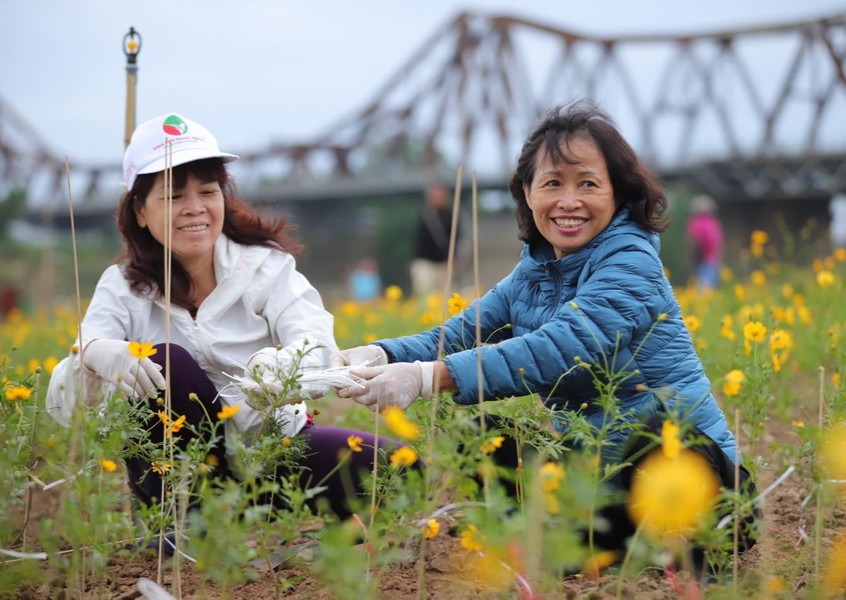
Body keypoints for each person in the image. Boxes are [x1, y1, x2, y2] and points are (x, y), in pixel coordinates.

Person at [332, 101, 758, 560]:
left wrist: (426, 378)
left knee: (659, 432)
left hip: (691, 479)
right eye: (552, 183)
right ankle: (581, 546)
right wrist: (380, 355)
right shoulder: (534, 269)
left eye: (588, 184)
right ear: (527, 193)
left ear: (618, 193)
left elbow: (560, 349)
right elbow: (459, 333)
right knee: (483, 434)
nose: (568, 201)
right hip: (598, 479)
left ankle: (672, 543)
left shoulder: (631, 259)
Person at [46, 112, 404, 523]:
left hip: (273, 448)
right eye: (173, 196)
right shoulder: (121, 288)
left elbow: (319, 345)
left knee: (400, 471)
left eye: (208, 191)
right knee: (165, 361)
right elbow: (64, 408)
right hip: (178, 473)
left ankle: (257, 508)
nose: (195, 208)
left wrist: (280, 365)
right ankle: (180, 525)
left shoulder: (265, 267)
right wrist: (93, 356)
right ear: (140, 212)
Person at [409, 180, 459, 296]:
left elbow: (456, 239)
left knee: (445, 296)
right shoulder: (424, 216)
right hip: (425, 263)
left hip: (444, 264)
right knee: (424, 294)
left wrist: (454, 260)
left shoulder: (452, 216)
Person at [686, 194, 723, 290]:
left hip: (701, 259)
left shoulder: (694, 222)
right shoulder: (713, 222)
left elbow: (692, 242)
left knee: (702, 285)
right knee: (709, 285)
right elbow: (716, 243)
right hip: (710, 258)